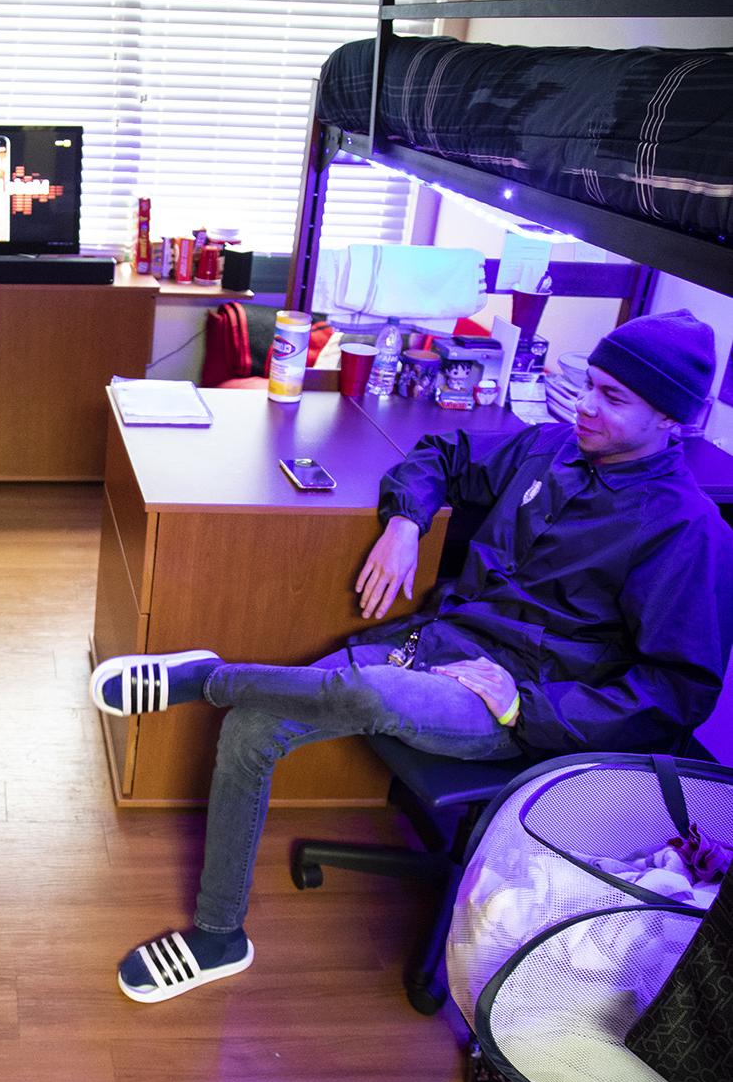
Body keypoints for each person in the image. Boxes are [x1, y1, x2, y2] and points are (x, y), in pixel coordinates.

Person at [91, 309, 733, 1004]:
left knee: (367, 692)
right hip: (438, 643)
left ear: (671, 419)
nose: (586, 407)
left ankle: (207, 678)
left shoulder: (689, 531)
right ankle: (220, 937)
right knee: (254, 724)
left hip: (520, 701)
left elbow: (673, 694)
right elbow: (442, 454)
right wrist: (406, 520)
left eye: (614, 398)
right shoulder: (549, 449)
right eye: (588, 385)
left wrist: (528, 705)